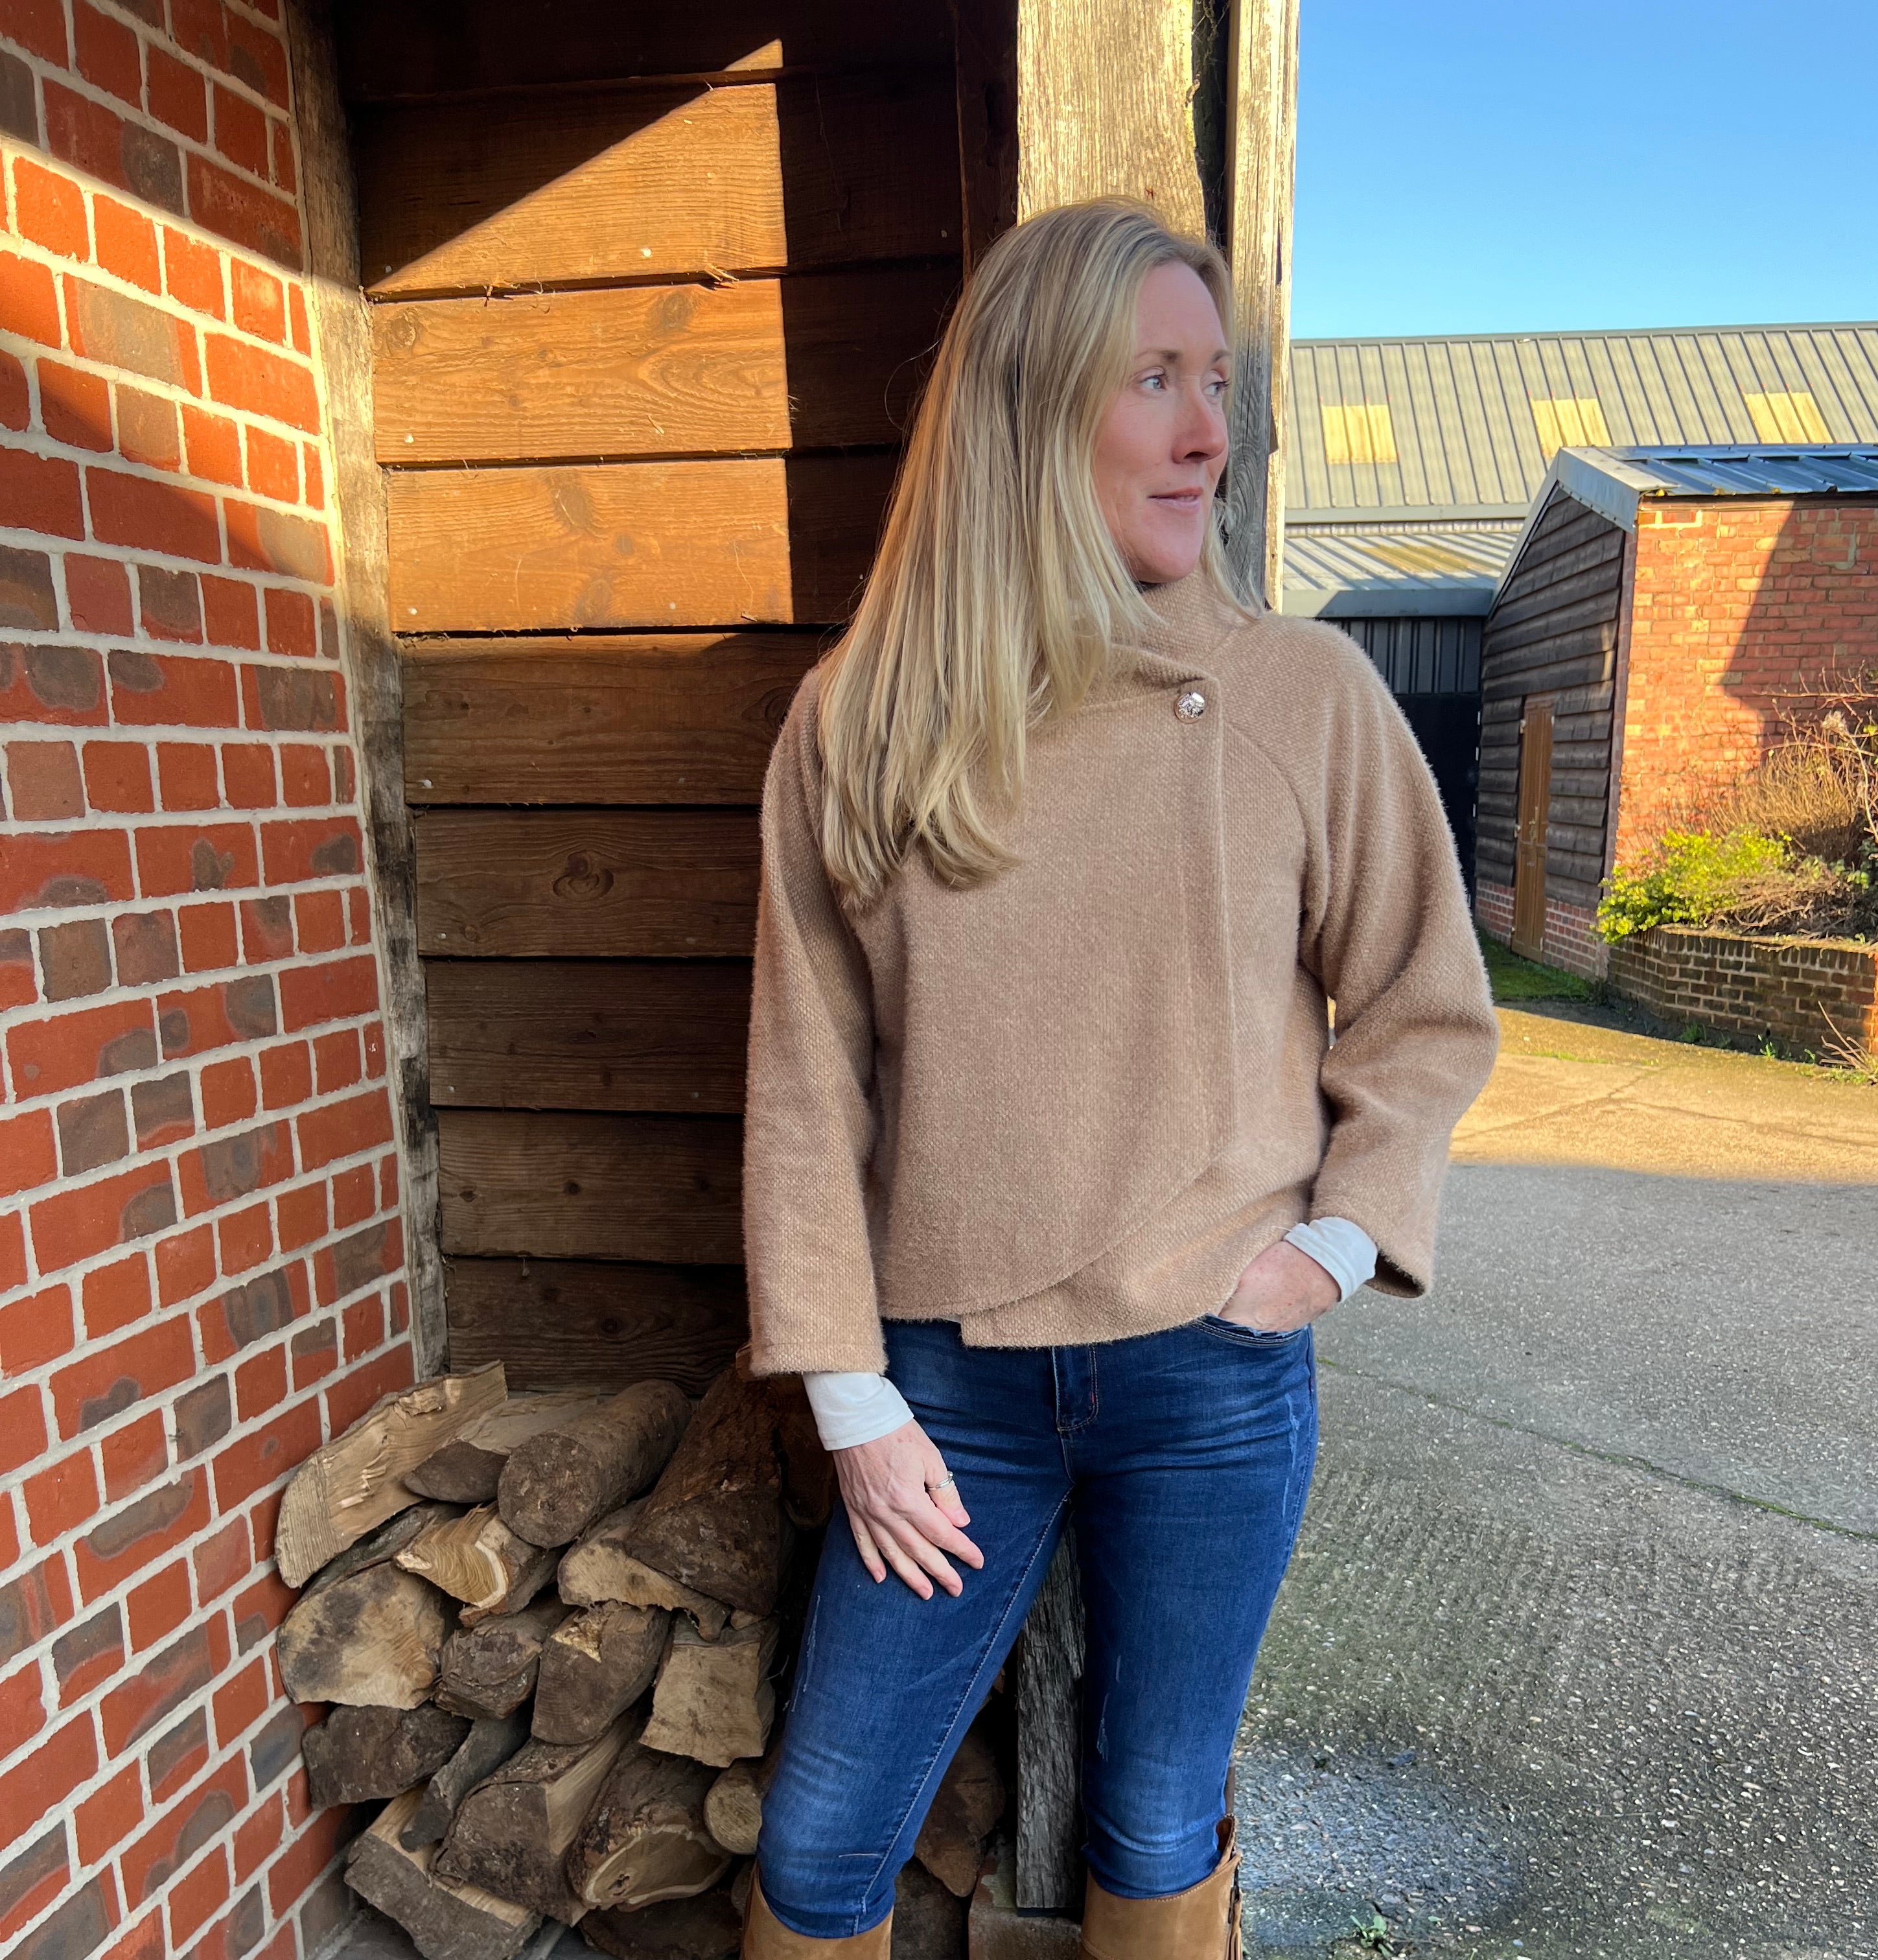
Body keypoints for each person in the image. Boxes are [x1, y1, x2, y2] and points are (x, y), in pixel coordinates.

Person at [737, 200, 1499, 1959]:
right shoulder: (862, 721)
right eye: (1153, 378)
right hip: (939, 1393)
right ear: (1027, 403)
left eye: (1211, 382)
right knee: (823, 1837)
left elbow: (1423, 1009)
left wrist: (1327, 1245)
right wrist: (849, 1402)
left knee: (1156, 1807)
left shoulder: (1300, 693)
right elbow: (802, 1084)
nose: (1207, 434)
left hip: (1212, 1376)